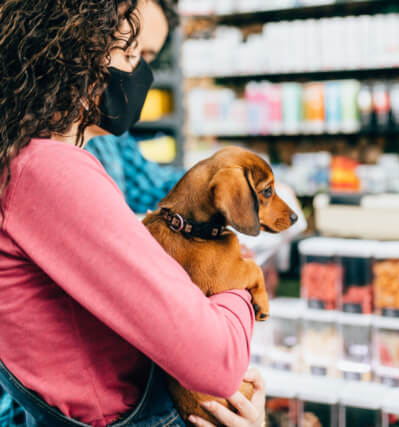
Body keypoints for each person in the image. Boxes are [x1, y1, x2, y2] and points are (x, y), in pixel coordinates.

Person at [0, 1, 265, 426]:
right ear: (77, 47)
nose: (138, 74)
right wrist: (239, 274)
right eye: (129, 54)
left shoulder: (30, 161)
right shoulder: (48, 169)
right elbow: (219, 362)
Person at [84, 0, 184, 215]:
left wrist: (214, 179)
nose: (135, 68)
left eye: (146, 58)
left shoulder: (106, 129)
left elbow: (147, 186)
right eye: (127, 48)